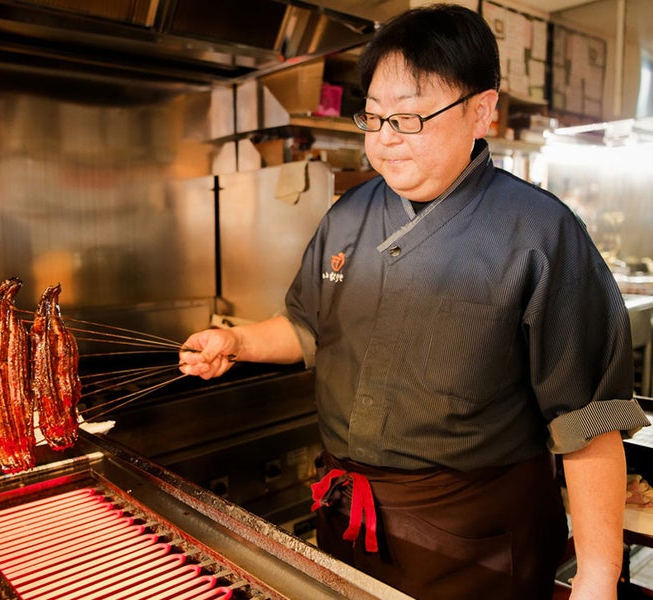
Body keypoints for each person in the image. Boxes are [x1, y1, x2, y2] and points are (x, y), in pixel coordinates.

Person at [180, 4, 649, 599]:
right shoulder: (347, 215)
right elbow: (306, 325)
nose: (385, 138)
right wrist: (237, 341)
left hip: (475, 542)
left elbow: (589, 422)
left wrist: (598, 578)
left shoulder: (540, 233)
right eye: (374, 116)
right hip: (349, 527)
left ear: (481, 110)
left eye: (408, 117)